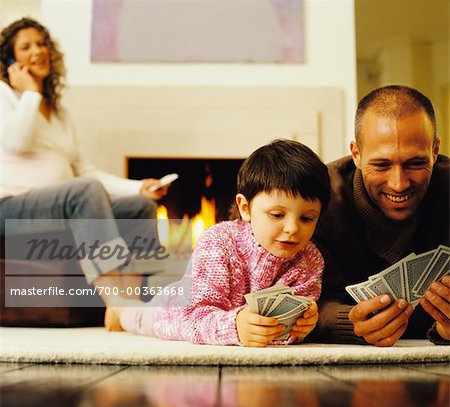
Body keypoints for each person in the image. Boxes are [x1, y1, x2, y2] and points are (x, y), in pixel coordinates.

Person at [0, 18, 172, 307]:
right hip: (10, 208)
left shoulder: (58, 113)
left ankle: (131, 303)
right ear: (9, 60)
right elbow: (17, 141)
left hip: (60, 208)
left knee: (139, 207)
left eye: (41, 44)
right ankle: (114, 301)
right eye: (25, 47)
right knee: (85, 191)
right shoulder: (5, 95)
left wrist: (137, 188)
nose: (37, 51)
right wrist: (30, 92)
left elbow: (83, 170)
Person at [107, 139, 331, 347]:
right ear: (245, 208)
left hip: (236, 321)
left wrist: (304, 324)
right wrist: (234, 326)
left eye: (307, 218)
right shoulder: (219, 242)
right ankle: (121, 309)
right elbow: (194, 317)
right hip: (176, 309)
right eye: (276, 215)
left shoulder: (310, 258)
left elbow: (289, 327)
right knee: (141, 318)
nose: (292, 228)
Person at [313, 85, 449, 346]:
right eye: (381, 164)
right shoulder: (318, 199)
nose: (399, 184)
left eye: (415, 163)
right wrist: (346, 322)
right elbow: (299, 299)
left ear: (435, 150)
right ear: (356, 154)